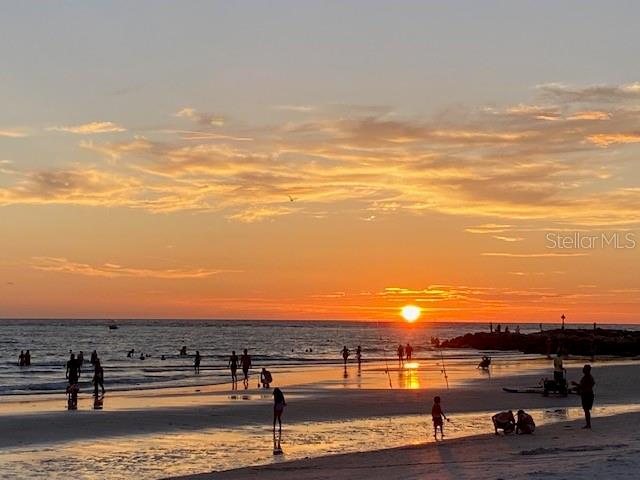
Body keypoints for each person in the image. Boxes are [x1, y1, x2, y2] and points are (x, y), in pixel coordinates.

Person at [572, 364, 595, 429]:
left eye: (584, 369)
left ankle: (588, 425)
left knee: (586, 410)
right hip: (587, 394)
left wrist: (576, 384)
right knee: (586, 410)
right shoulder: (588, 377)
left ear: (587, 370)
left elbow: (583, 386)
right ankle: (588, 424)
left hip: (587, 395)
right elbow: (591, 384)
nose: (583, 370)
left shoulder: (587, 377)